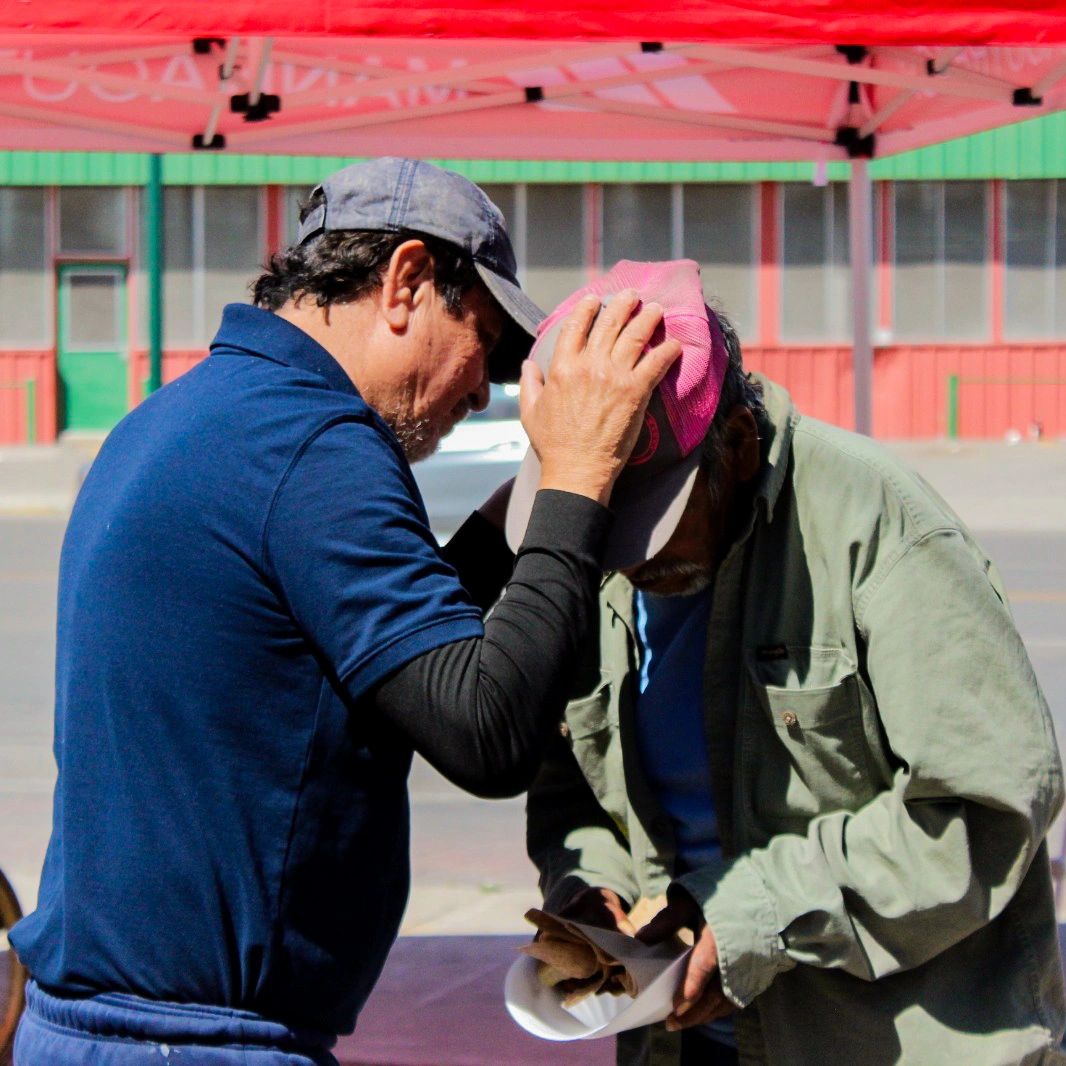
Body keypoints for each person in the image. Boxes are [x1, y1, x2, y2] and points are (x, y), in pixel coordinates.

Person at [9, 159, 681, 1064]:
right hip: (198, 1043)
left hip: (105, 1026)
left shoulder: (187, 417)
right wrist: (578, 480)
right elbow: (486, 728)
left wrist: (526, 502)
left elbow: (392, 645)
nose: (486, 391)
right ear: (405, 281)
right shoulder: (317, 444)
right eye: (483, 341)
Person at [515, 259, 1066, 1065]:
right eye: (607, 527)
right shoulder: (595, 550)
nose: (627, 560)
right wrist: (588, 891)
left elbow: (985, 810)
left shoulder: (877, 526)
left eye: (654, 526)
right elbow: (574, 787)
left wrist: (751, 914)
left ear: (737, 444)